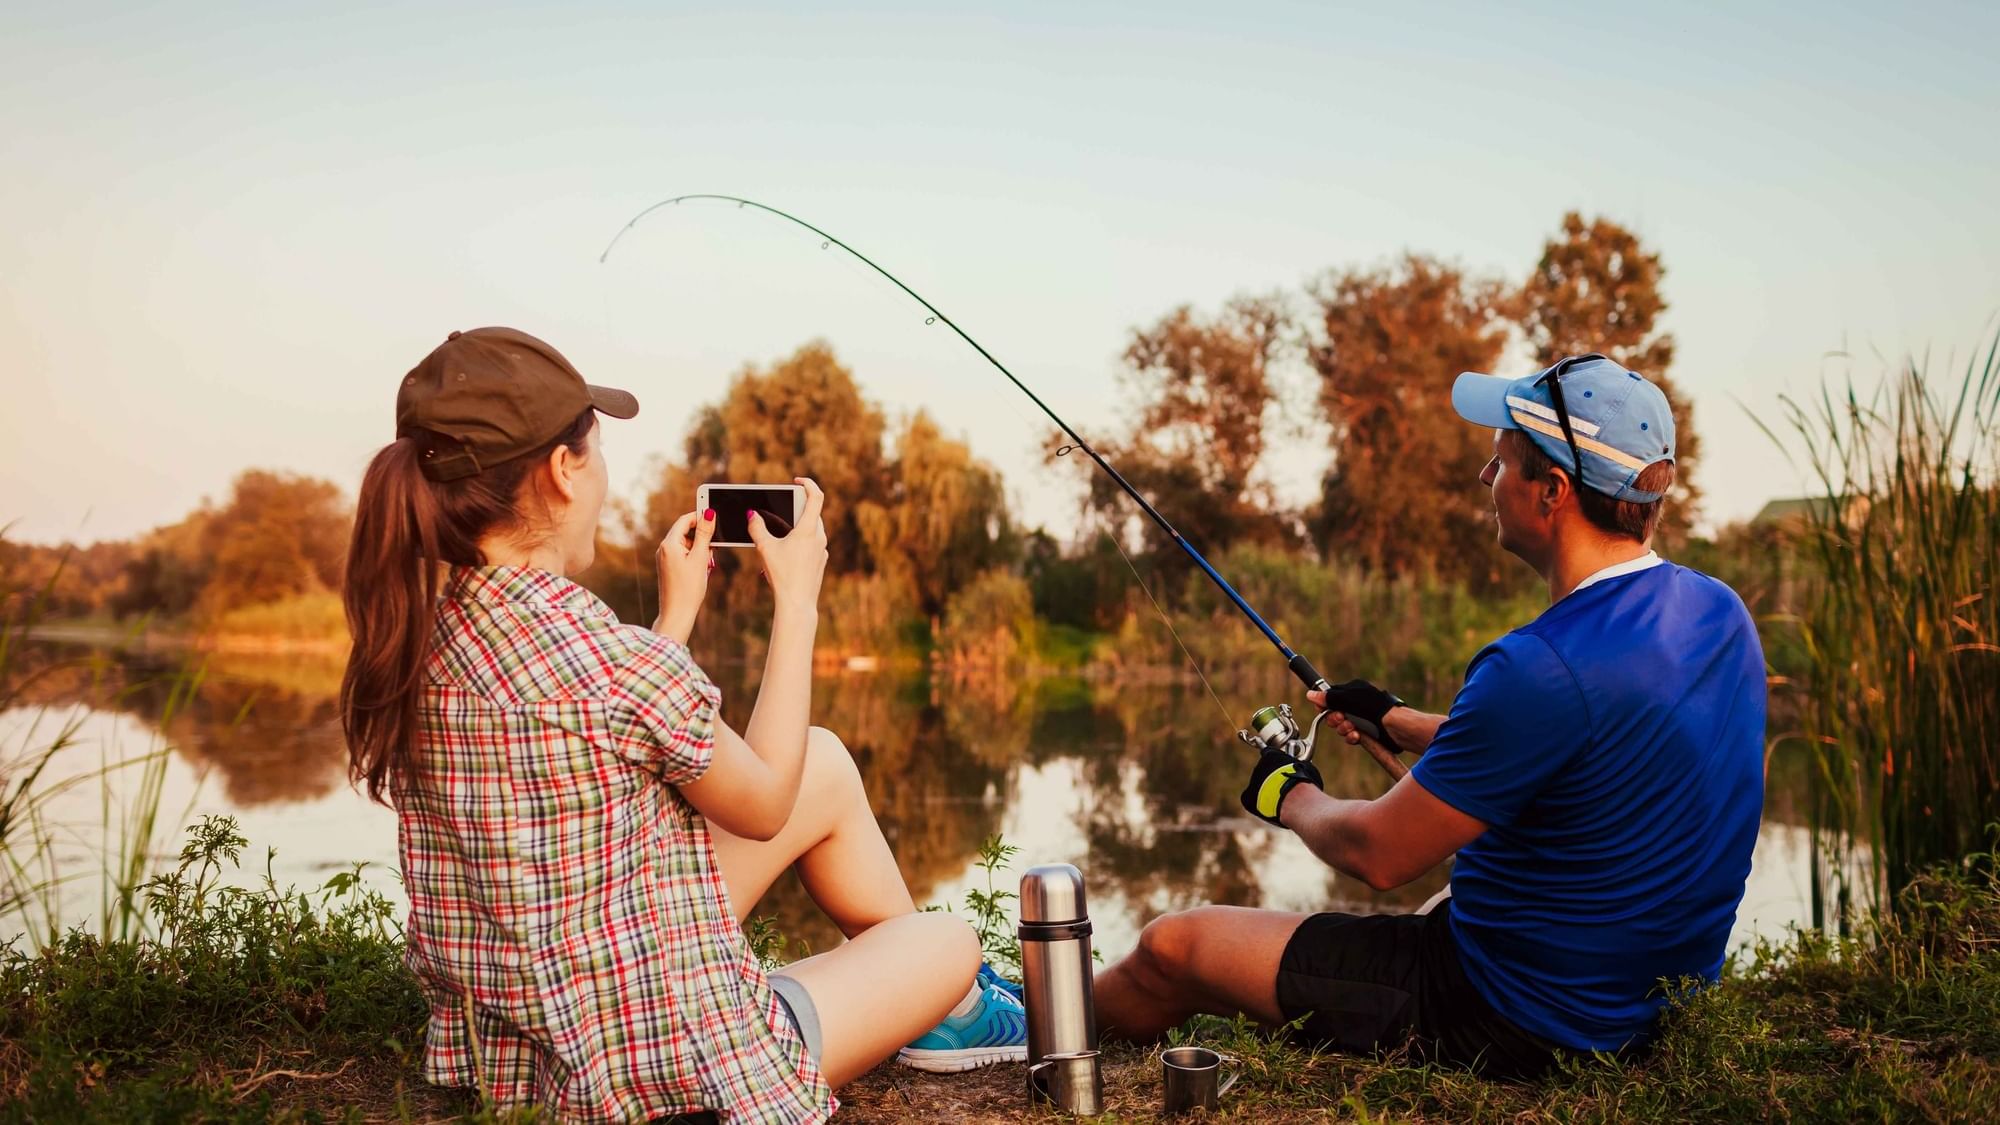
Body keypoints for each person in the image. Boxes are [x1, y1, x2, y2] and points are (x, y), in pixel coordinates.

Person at [338, 328, 1025, 1124]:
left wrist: (675, 616)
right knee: (948, 943)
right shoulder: (612, 661)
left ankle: (941, 1012)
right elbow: (764, 800)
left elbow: (609, 739)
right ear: (564, 470)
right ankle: (956, 1009)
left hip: (522, 1042)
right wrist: (798, 598)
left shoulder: (415, 641)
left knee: (826, 761)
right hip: (656, 1066)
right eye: (592, 452)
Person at [1093, 354, 1766, 1078]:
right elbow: (1589, 749)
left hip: (1515, 1016)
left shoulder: (1535, 666)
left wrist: (1291, 795)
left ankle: (1036, 1025)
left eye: (1502, 460)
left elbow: (1378, 853)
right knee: (1443, 897)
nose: (1487, 477)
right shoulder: (1719, 613)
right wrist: (1399, 719)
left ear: (1553, 492)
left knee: (1175, 947)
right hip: (1650, 1002)